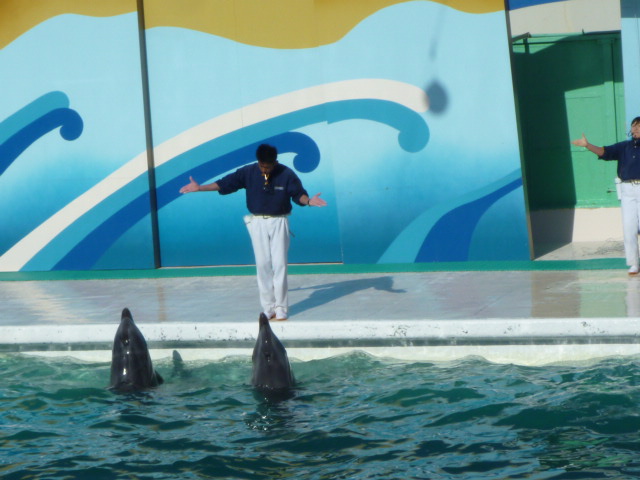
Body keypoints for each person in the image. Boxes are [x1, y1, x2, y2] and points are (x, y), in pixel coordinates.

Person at [179, 144, 327, 319]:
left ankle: (281, 307)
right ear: (258, 162)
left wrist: (309, 201)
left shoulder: (286, 173)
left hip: (279, 221)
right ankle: (269, 307)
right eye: (262, 166)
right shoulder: (248, 172)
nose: (265, 170)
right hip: (257, 222)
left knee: (279, 264)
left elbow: (298, 194)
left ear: (275, 162)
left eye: (268, 167)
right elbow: (225, 183)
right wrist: (200, 187)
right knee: (263, 265)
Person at [572, 117, 640, 275]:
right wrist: (588, 145)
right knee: (629, 227)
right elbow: (604, 152)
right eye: (633, 126)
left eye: (638, 126)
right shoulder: (624, 146)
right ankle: (633, 263)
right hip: (627, 189)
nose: (635, 129)